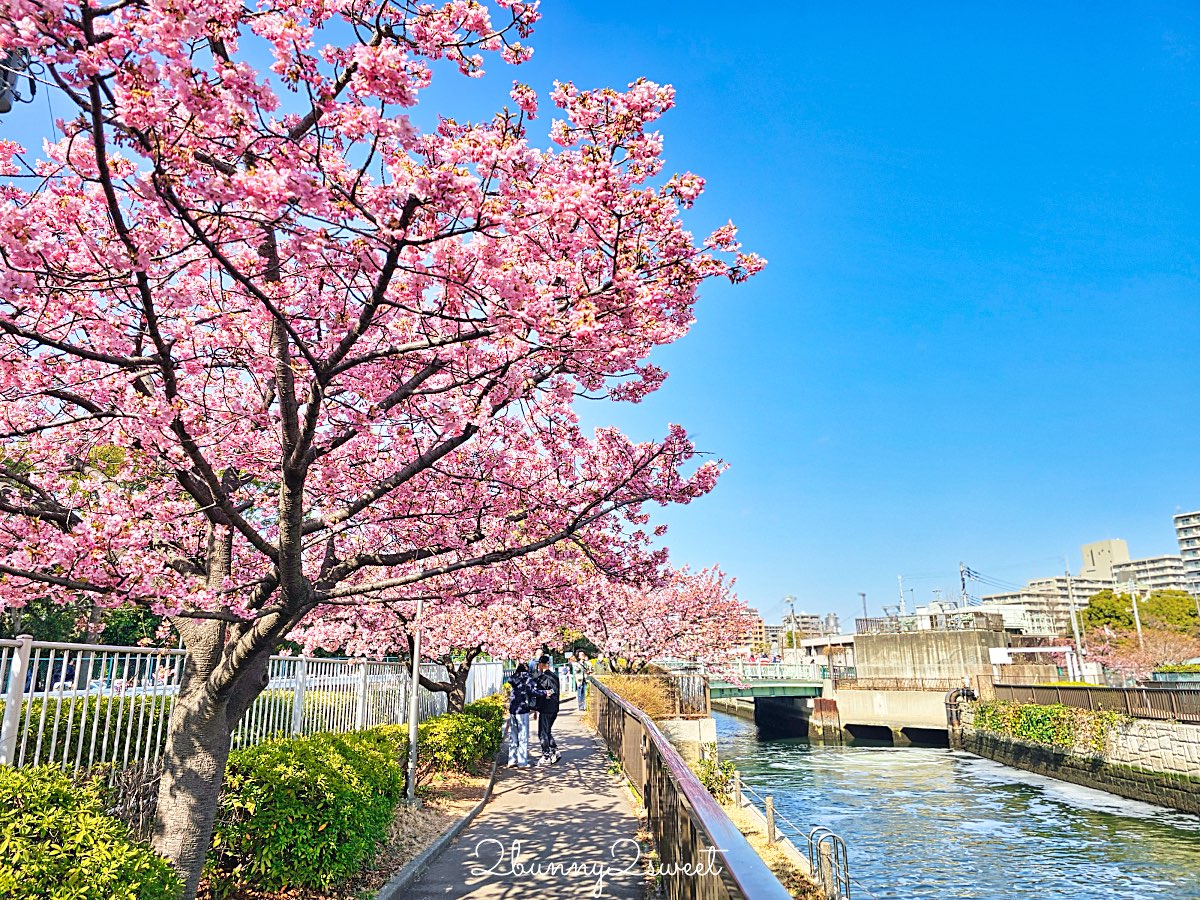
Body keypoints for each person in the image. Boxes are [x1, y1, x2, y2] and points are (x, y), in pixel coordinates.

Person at [506, 663, 536, 768]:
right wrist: (545, 693)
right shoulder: (527, 679)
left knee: (513, 735)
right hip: (523, 709)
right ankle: (522, 762)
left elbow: (510, 679)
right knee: (523, 735)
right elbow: (532, 691)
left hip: (513, 709)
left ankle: (512, 760)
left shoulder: (514, 679)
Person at [533, 654, 561, 764]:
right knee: (547, 731)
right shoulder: (555, 676)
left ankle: (546, 754)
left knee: (542, 732)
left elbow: (544, 693)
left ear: (541, 664)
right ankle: (554, 750)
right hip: (554, 708)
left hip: (546, 708)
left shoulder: (544, 678)